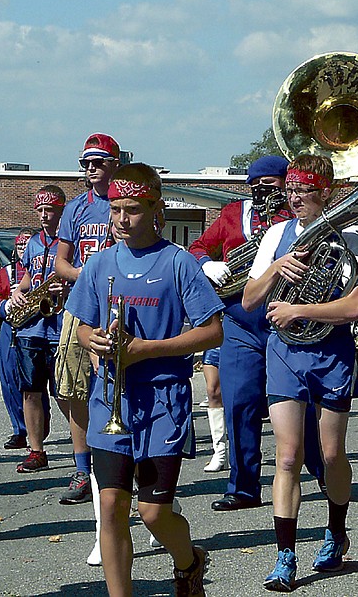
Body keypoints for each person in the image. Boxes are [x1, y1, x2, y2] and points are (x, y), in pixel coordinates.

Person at [65, 162, 224, 597]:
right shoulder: (98, 264)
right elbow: (80, 323)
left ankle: (189, 560)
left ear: (156, 210)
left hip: (162, 401)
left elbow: (212, 331)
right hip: (110, 399)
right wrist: (92, 339)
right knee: (111, 508)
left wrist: (146, 349)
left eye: (132, 209)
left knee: (154, 513)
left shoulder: (179, 263)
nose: (121, 219)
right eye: (115, 209)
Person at [243, 154, 358, 592]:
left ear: (327, 193)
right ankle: (285, 555)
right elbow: (248, 300)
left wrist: (301, 308)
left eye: (304, 191)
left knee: (333, 455)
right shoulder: (276, 235)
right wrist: (277, 268)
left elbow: (355, 307)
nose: (294, 198)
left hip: (331, 353)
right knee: (287, 455)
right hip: (284, 354)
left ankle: (336, 531)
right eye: (291, 190)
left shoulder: (350, 240)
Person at [189, 154, 299, 512]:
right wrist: (209, 264)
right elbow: (198, 247)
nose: (263, 193)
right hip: (239, 320)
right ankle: (243, 486)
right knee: (239, 404)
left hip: (285, 320)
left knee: (299, 404)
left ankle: (322, 470)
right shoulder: (234, 214)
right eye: (255, 187)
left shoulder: (295, 217)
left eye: (270, 186)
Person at [54, 133, 124, 517]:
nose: (91, 169)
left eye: (98, 161)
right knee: (71, 388)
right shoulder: (76, 208)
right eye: (86, 163)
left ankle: (121, 458)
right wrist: (85, 274)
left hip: (117, 303)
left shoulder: (122, 205)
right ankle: (83, 468)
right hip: (81, 304)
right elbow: (60, 262)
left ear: (114, 163)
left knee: (115, 380)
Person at [7, 185, 67, 473]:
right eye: (40, 210)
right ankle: (36, 450)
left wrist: (64, 285)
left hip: (59, 327)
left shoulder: (69, 242)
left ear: (61, 210)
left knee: (65, 393)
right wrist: (19, 290)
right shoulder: (32, 243)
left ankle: (86, 448)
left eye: (50, 210)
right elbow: (30, 273)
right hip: (32, 328)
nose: (44, 215)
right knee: (30, 391)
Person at [0, 229, 33, 449]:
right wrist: (6, 305)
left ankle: (38, 427)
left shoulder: (42, 269)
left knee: (32, 381)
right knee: (9, 379)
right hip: (10, 326)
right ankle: (19, 430)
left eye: (27, 245)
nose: (23, 249)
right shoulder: (6, 272)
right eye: (20, 246)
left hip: (35, 325)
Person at [201, 347, 228, 472]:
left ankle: (241, 450)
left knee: (241, 397)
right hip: (215, 342)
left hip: (239, 338)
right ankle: (220, 452)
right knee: (213, 391)